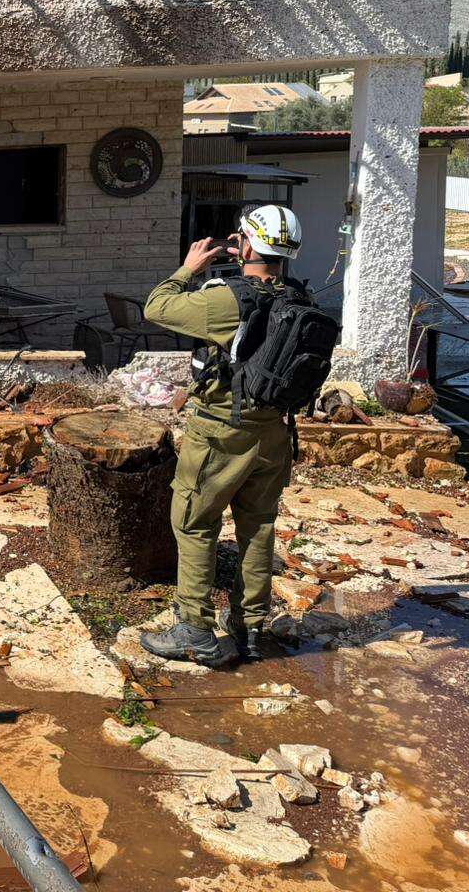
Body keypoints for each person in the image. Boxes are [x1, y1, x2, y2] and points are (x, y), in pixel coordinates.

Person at [139, 205, 320, 669]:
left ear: (247, 243)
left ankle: (195, 630)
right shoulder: (301, 301)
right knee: (257, 528)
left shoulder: (226, 299)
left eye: (240, 236)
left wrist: (188, 268)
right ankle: (249, 627)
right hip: (274, 434)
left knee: (194, 523)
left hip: (221, 432)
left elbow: (156, 307)